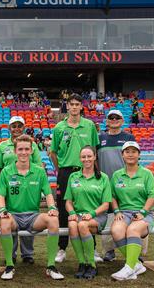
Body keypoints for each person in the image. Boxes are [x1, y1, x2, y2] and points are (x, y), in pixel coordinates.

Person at [0, 135, 64, 280]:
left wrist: (52, 207)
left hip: (33, 216)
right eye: (20, 149)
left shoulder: (39, 171)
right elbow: (1, 196)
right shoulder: (6, 171)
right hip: (13, 215)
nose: (23, 152)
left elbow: (48, 193)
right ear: (15, 151)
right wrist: (3, 210)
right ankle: (9, 266)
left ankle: (51, 266)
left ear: (31, 151)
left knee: (53, 220)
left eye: (27, 149)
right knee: (4, 223)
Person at [50, 94, 99, 263]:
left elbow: (93, 149)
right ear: (67, 106)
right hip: (65, 172)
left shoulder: (89, 125)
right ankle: (62, 248)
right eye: (71, 104)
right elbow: (53, 152)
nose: (74, 107)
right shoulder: (59, 128)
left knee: (87, 207)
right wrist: (61, 169)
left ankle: (93, 249)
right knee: (63, 209)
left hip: (86, 171)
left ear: (81, 106)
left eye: (77, 104)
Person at [0, 115, 41, 263]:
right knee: (9, 218)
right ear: (9, 128)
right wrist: (2, 188)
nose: (17, 129)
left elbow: (39, 166)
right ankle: (10, 254)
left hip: (27, 187)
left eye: (20, 126)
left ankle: (27, 254)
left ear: (24, 128)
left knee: (29, 216)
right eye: (14, 126)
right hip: (8, 188)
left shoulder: (33, 145)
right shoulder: (2, 146)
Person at [110, 141, 154, 281]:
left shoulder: (147, 174)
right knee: (116, 230)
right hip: (123, 213)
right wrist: (117, 211)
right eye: (127, 151)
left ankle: (129, 268)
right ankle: (136, 264)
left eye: (134, 151)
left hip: (144, 213)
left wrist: (142, 212)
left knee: (133, 230)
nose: (130, 154)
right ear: (122, 155)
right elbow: (112, 196)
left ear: (139, 155)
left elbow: (152, 196)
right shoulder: (117, 175)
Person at [65, 146, 111, 279]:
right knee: (73, 225)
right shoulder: (74, 176)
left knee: (82, 225)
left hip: (98, 216)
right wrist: (72, 212)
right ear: (80, 159)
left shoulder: (103, 177)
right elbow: (68, 201)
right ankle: (81, 263)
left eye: (89, 156)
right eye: (83, 157)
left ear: (95, 157)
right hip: (79, 215)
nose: (86, 159)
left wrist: (92, 213)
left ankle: (92, 265)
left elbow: (106, 204)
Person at [97, 109, 136, 262]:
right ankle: (109, 250)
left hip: (125, 182)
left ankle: (134, 249)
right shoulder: (100, 138)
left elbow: (134, 159)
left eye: (117, 117)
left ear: (122, 120)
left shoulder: (128, 137)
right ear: (107, 121)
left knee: (130, 213)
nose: (114, 120)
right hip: (106, 183)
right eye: (111, 118)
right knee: (107, 216)